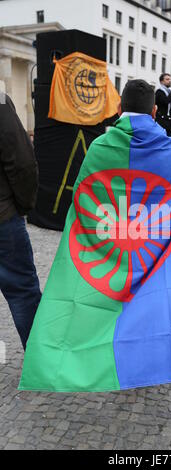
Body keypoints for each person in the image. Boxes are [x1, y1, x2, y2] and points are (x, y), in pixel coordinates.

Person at [19, 79, 171, 393]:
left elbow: (82, 198)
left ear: (119, 107)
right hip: (151, 244)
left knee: (105, 305)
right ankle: (149, 356)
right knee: (154, 300)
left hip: (113, 243)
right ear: (156, 111)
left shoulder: (100, 148)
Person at [0, 93, 41, 350]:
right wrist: (24, 206)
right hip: (3, 217)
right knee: (23, 293)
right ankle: (40, 360)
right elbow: (22, 162)